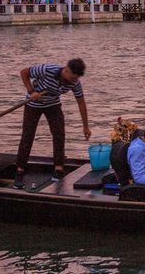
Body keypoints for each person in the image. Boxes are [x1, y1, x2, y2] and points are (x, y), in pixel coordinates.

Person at [14, 58, 91, 189]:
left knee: (59, 134)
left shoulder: (75, 83)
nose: (72, 82)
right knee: (27, 137)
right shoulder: (47, 70)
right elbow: (24, 73)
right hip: (33, 104)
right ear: (66, 71)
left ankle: (59, 169)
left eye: (75, 79)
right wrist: (31, 91)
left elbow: (81, 103)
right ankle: (20, 171)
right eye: (72, 78)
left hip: (53, 104)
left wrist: (85, 126)